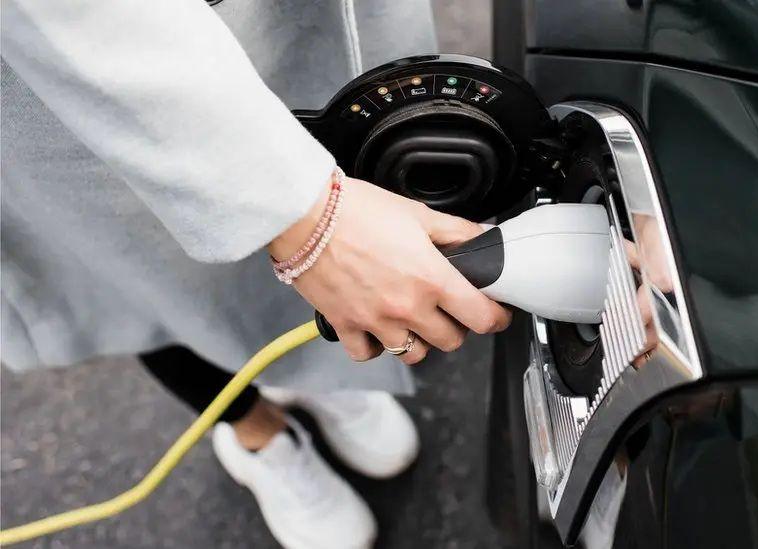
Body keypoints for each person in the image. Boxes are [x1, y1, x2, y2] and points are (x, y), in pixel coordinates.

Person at [1, 1, 511, 548]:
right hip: (66, 66)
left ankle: (315, 377)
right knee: (148, 283)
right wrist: (309, 218)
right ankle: (257, 434)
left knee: (327, 237)